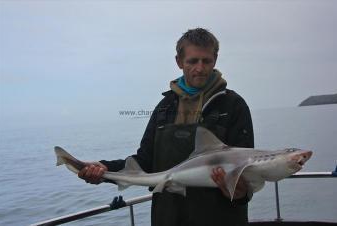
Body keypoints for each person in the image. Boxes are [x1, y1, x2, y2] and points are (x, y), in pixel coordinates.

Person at [78, 28, 254, 226]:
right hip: (168, 217)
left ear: (215, 59)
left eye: (206, 61)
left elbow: (246, 170)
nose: (200, 68)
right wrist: (105, 170)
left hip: (221, 218)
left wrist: (241, 193)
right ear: (179, 62)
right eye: (192, 61)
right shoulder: (165, 108)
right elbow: (145, 162)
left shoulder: (233, 106)